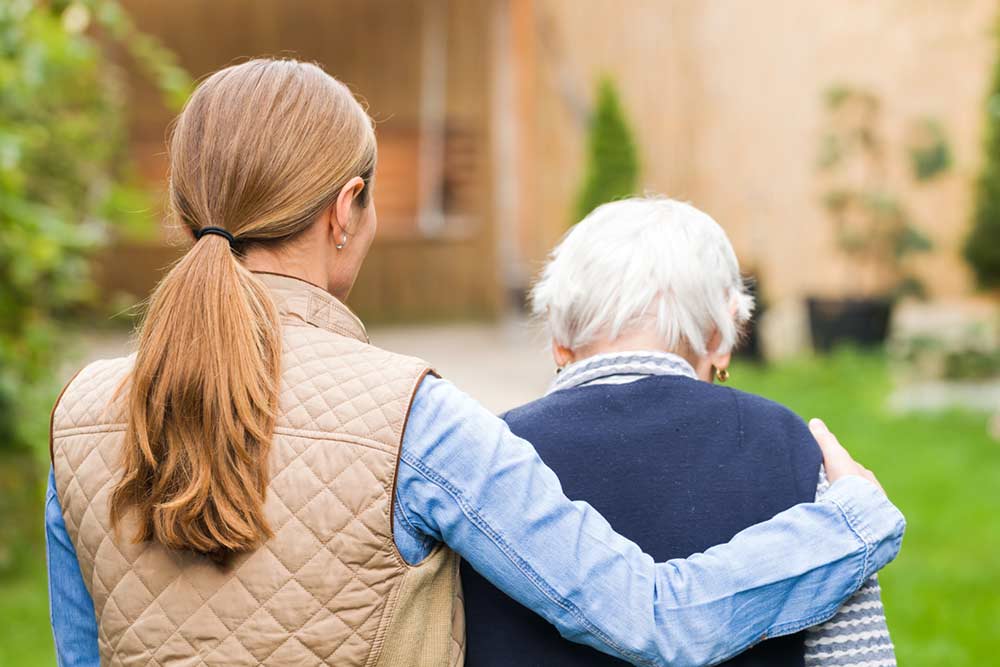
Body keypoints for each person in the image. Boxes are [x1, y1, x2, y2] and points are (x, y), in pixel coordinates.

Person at [46, 59, 904, 667]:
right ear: (348, 210)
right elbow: (651, 617)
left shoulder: (78, 414)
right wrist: (851, 524)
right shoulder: (410, 417)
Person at [462, 197, 897, 667]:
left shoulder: (488, 455)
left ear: (559, 341)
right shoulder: (791, 446)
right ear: (721, 337)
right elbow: (854, 654)